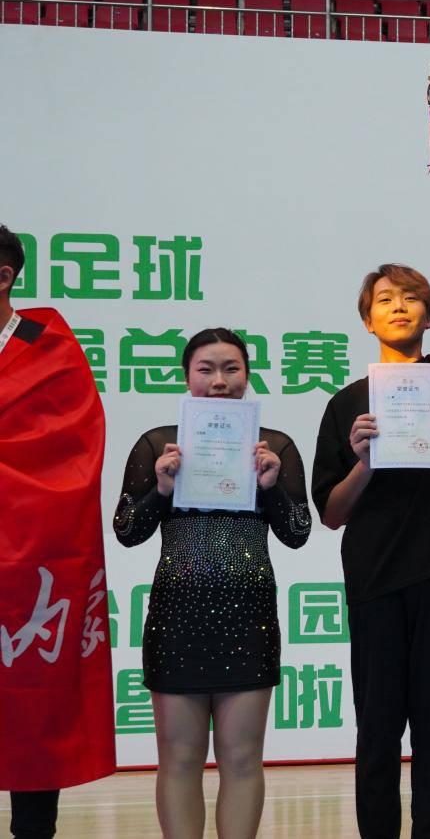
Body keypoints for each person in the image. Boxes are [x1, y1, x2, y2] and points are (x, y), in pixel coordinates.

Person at [310, 129, 430, 839]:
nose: (398, 306)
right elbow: (331, 514)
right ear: (367, 318)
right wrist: (363, 461)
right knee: (378, 730)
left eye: (411, 297)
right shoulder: (345, 405)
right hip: (376, 580)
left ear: (428, 313)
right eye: (384, 299)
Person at [113, 328, 312, 839]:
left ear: (247, 376)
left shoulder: (276, 447)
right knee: (178, 759)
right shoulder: (158, 444)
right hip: (177, 619)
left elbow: (297, 533)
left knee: (242, 759)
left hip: (248, 620)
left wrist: (270, 488)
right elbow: (127, 530)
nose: (219, 381)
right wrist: (161, 488)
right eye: (206, 369)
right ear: (187, 377)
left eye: (231, 368)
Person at [0, 224, 116, 839]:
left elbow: (71, 455)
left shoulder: (50, 348)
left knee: (32, 705)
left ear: (3, 277)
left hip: (32, 564)